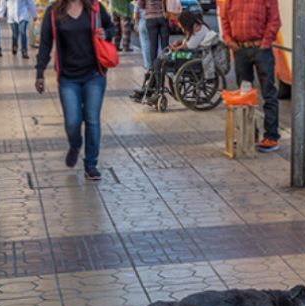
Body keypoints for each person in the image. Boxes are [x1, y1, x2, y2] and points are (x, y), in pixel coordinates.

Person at [35, 0, 115, 180]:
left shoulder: (94, 8)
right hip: (67, 77)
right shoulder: (54, 12)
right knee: (72, 121)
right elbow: (46, 44)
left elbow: (111, 27)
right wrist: (40, 72)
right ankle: (75, 143)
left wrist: (106, 33)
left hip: (94, 74)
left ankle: (91, 164)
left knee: (92, 120)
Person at [220, 0, 281, 152]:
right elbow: (224, 19)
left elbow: (274, 21)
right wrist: (229, 41)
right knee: (244, 96)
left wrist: (265, 43)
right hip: (240, 50)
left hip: (261, 50)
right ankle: (249, 134)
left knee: (269, 94)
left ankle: (271, 137)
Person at [131, 11, 210, 103]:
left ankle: (154, 92)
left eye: (182, 27)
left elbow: (189, 46)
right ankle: (150, 90)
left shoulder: (199, 30)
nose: (183, 30)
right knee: (157, 62)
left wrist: (175, 47)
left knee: (160, 63)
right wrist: (180, 43)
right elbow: (189, 43)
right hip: (190, 56)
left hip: (193, 59)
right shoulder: (196, 28)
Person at [133, 0, 151, 69]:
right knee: (154, 44)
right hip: (151, 22)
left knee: (145, 45)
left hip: (142, 23)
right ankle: (155, 63)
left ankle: (147, 65)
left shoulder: (139, 2)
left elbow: (135, 16)